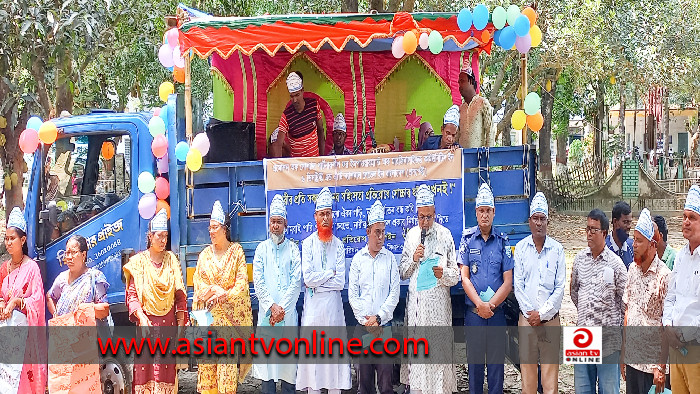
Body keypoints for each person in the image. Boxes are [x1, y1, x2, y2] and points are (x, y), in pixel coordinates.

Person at [399, 184, 460, 394]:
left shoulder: (445, 236)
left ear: (435, 214)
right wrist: (414, 259)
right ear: (417, 214)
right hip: (418, 315)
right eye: (422, 217)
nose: (425, 222)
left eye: (429, 217)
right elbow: (403, 272)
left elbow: (456, 275)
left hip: (438, 313)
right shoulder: (411, 236)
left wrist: (443, 274)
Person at [123, 208, 187, 393]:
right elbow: (132, 295)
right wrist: (141, 318)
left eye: (166, 236)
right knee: (146, 373)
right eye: (159, 236)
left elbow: (180, 296)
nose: (163, 240)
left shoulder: (172, 260)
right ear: (150, 236)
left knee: (166, 375)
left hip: (168, 325)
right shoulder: (138, 262)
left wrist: (181, 325)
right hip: (146, 325)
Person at [192, 201, 253, 394]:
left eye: (214, 227)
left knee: (226, 380)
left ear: (224, 229)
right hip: (209, 326)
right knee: (207, 378)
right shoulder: (204, 256)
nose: (210, 231)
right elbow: (199, 287)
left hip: (229, 328)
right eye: (209, 227)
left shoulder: (236, 253)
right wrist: (214, 289)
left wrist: (225, 294)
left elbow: (242, 284)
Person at [458, 183, 513, 394]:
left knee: (496, 369)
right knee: (475, 371)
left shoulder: (502, 242)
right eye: (481, 211)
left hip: (496, 314)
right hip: (474, 315)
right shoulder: (467, 240)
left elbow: (508, 281)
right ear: (476, 212)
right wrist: (480, 305)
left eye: (488, 210)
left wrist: (490, 305)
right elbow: (464, 278)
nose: (484, 215)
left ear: (494, 212)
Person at [296, 187, 351, 394]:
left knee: (333, 364)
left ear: (332, 216)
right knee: (314, 367)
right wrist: (329, 272)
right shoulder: (307, 244)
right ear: (315, 217)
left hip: (333, 310)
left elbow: (340, 283)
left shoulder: (339, 245)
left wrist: (320, 281)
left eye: (328, 213)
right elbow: (308, 279)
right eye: (321, 214)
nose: (325, 218)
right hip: (313, 310)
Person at [570, 208, 627, 394]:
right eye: (587, 229)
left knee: (609, 389)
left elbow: (625, 301)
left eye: (593, 230)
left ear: (604, 233)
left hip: (608, 340)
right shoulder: (579, 260)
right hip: (582, 337)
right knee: (582, 389)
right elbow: (574, 292)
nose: (589, 234)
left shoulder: (616, 264)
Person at [513, 192, 565, 394]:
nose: (539, 223)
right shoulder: (521, 248)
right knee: (528, 379)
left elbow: (559, 288)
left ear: (548, 222)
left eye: (543, 219)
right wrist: (531, 315)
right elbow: (518, 286)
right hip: (527, 321)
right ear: (529, 222)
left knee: (550, 379)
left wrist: (541, 315)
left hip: (550, 321)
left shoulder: (557, 250)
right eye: (536, 218)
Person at [348, 200, 400, 394]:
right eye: (377, 232)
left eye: (383, 232)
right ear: (368, 231)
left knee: (386, 385)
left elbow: (394, 294)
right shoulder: (358, 260)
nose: (381, 237)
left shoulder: (390, 260)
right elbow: (352, 295)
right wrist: (367, 321)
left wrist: (378, 319)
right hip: (362, 329)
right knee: (364, 385)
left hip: (383, 328)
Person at [252, 195, 302, 394]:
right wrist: (272, 307)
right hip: (268, 318)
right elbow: (259, 282)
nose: (275, 226)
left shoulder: (293, 250)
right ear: (269, 223)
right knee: (268, 371)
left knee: (288, 370)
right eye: (272, 222)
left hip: (287, 318)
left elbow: (296, 281)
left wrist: (282, 309)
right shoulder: (261, 250)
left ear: (285, 224)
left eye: (279, 222)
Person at [621, 208, 671, 394]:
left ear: (652, 244)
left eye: (639, 241)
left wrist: (661, 366)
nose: (634, 245)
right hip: (633, 360)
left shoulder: (664, 276)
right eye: (634, 239)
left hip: (652, 366)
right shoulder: (632, 270)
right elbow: (628, 311)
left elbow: (667, 323)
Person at [0, 207, 47, 394]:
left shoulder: (32, 268)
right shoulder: (4, 268)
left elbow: (37, 301)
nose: (9, 242)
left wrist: (17, 302)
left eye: (13, 238)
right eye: (6, 238)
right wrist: (3, 304)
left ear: (23, 240)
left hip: (26, 338)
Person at [662, 185, 700, 394]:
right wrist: (668, 326)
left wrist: (683, 335)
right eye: (684, 216)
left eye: (692, 218)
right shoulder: (680, 257)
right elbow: (670, 297)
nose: (686, 222)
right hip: (676, 348)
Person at [47, 235, 110, 320]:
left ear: (83, 255)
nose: (69, 257)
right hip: (66, 332)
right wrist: (57, 317)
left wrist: (87, 309)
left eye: (73, 252)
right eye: (67, 253)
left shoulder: (94, 278)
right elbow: (49, 297)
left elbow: (104, 310)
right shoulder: (62, 278)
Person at [278, 71, 325, 157]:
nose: (295, 100)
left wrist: (322, 158)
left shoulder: (314, 105)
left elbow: (320, 131)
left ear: (302, 90)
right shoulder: (286, 116)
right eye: (292, 96)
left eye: (297, 95)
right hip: (298, 166)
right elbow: (278, 144)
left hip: (315, 162)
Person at [458, 65, 493, 149]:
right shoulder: (460, 109)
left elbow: (490, 132)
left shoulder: (483, 103)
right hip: (462, 157)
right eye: (459, 82)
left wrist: (488, 156)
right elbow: (457, 135)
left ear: (471, 81)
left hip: (479, 158)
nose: (459, 85)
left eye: (462, 81)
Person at [606, 201, 634, 269]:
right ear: (615, 222)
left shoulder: (632, 247)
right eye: (625, 222)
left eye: (630, 222)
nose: (629, 226)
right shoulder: (604, 249)